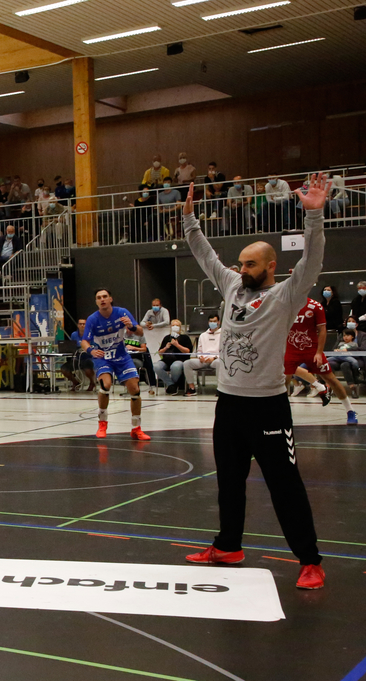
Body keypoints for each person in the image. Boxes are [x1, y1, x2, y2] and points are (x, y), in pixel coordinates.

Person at [181, 176, 328, 589]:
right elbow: (205, 255)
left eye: (250, 264)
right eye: (241, 263)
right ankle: (228, 546)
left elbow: (312, 259)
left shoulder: (286, 295)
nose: (241, 269)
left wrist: (313, 215)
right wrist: (190, 220)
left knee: (285, 486)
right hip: (228, 404)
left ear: (270, 266)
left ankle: (309, 560)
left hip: (268, 407)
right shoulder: (231, 286)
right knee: (228, 481)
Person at [79, 288, 150, 440]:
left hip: (121, 356)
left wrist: (131, 326)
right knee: (106, 385)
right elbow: (84, 341)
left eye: (105, 296)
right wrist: (90, 350)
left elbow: (140, 332)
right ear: (96, 301)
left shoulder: (122, 312)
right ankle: (102, 423)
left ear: (110, 299)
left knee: (134, 389)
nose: (102, 299)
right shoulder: (93, 319)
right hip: (102, 356)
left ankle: (136, 428)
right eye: (99, 297)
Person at [283, 297, 357, 425]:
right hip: (290, 349)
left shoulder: (315, 306)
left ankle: (350, 410)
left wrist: (318, 352)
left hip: (311, 349)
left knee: (331, 379)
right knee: (284, 381)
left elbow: (322, 330)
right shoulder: (284, 303)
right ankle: (282, 415)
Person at [182, 314, 222, 396]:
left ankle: (220, 389)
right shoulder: (203, 335)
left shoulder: (223, 334)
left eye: (214, 321)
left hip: (215, 360)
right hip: (204, 360)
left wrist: (214, 358)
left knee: (219, 363)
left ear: (219, 322)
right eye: (211, 321)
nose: (212, 323)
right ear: (208, 322)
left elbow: (224, 351)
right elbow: (199, 350)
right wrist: (200, 357)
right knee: (187, 363)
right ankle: (192, 388)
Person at [154, 320, 192, 395]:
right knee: (156, 366)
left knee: (175, 366)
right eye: (173, 325)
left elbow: (188, 351)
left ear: (180, 327)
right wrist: (166, 347)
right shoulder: (167, 338)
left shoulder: (185, 338)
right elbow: (160, 352)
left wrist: (177, 345)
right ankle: (172, 385)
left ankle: (172, 386)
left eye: (177, 325)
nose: (175, 327)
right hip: (166, 360)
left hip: (179, 359)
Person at [140, 298, 171, 364]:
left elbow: (167, 322)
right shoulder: (149, 312)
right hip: (152, 335)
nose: (155, 307)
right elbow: (141, 323)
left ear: (160, 305)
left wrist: (154, 325)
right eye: (153, 305)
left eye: (157, 305)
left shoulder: (164, 311)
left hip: (162, 333)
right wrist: (146, 325)